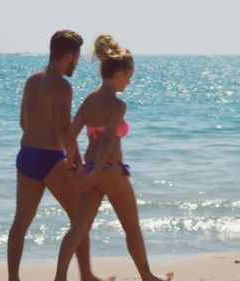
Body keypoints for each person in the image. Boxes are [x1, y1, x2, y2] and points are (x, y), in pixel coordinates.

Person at [54, 34, 174, 281]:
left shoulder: (89, 100)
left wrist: (75, 168)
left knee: (77, 229)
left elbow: (69, 136)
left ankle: (60, 278)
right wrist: (98, 171)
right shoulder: (118, 106)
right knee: (131, 227)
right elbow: (108, 141)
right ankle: (147, 275)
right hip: (109, 170)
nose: (129, 82)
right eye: (129, 76)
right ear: (119, 73)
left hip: (88, 169)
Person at [7, 30, 104, 281]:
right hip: (50, 160)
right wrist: (78, 165)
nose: (77, 62)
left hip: (26, 156)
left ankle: (13, 278)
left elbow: (23, 123)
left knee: (20, 223)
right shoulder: (62, 86)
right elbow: (65, 131)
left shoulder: (32, 80)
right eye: (77, 56)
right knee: (80, 219)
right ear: (69, 56)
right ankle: (85, 275)